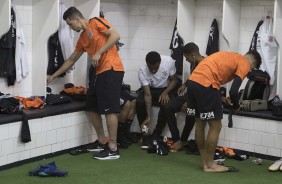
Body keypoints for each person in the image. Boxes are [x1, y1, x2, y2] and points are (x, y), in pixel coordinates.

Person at [47, 7, 124, 160]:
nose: (70, 27)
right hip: (98, 73)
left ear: (76, 19)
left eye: (70, 24)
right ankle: (102, 142)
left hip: (111, 68)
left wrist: (99, 51)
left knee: (110, 110)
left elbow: (115, 35)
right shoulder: (83, 38)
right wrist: (54, 76)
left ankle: (113, 148)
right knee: (91, 107)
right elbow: (71, 60)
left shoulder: (96, 22)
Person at [186, 50, 262, 172]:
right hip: (206, 83)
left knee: (199, 123)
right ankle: (210, 165)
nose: (249, 70)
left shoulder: (232, 56)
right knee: (216, 126)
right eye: (252, 68)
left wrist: (223, 98)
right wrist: (236, 105)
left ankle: (204, 161)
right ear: (252, 61)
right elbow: (233, 91)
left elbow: (217, 74)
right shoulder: (245, 62)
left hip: (192, 82)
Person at [165, 42, 205, 152]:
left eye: (187, 58)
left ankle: (183, 140)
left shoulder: (206, 65)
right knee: (169, 108)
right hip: (189, 94)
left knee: (190, 113)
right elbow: (194, 76)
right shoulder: (196, 62)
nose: (186, 60)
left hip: (199, 97)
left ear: (193, 55)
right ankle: (176, 139)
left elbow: (203, 87)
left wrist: (190, 102)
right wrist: (185, 84)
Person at [136, 51, 178, 149]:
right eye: (151, 68)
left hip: (165, 89)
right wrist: (149, 116)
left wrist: (166, 92)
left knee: (167, 104)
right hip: (151, 89)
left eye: (156, 67)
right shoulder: (142, 71)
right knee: (139, 102)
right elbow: (147, 94)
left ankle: (157, 133)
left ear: (160, 63)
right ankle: (145, 133)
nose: (153, 70)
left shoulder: (168, 62)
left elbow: (174, 80)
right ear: (147, 64)